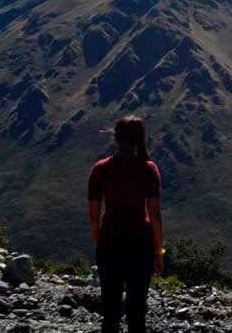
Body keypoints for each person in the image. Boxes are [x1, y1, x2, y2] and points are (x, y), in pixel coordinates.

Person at [88, 116, 164, 333]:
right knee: (137, 312)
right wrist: (158, 251)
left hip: (109, 245)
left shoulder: (100, 169)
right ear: (140, 139)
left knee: (110, 313)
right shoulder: (148, 169)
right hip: (140, 246)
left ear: (116, 138)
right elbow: (155, 214)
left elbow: (94, 215)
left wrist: (100, 242)